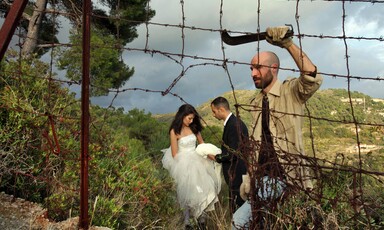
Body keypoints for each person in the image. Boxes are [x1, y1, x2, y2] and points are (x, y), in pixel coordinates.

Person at [232, 26, 323, 229]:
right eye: (251, 69)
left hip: (288, 178)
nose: (253, 74)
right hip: (262, 180)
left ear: (273, 68)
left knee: (238, 221)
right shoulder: (255, 103)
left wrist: (287, 44)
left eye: (258, 68)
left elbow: (312, 77)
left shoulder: (290, 92)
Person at [161, 104, 220, 229]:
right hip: (183, 163)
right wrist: (185, 165)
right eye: (189, 118)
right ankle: (188, 222)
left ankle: (201, 218)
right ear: (182, 116)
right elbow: (174, 153)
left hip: (198, 160)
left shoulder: (194, 128)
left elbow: (202, 144)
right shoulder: (174, 131)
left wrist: (212, 157)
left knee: (203, 188)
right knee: (187, 192)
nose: (191, 121)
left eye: (193, 118)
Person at [209, 96, 249, 213]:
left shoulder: (233, 125)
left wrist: (216, 158)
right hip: (236, 173)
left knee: (238, 209)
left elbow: (234, 153)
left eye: (214, 111)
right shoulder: (233, 123)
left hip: (237, 174)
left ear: (221, 109)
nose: (213, 115)